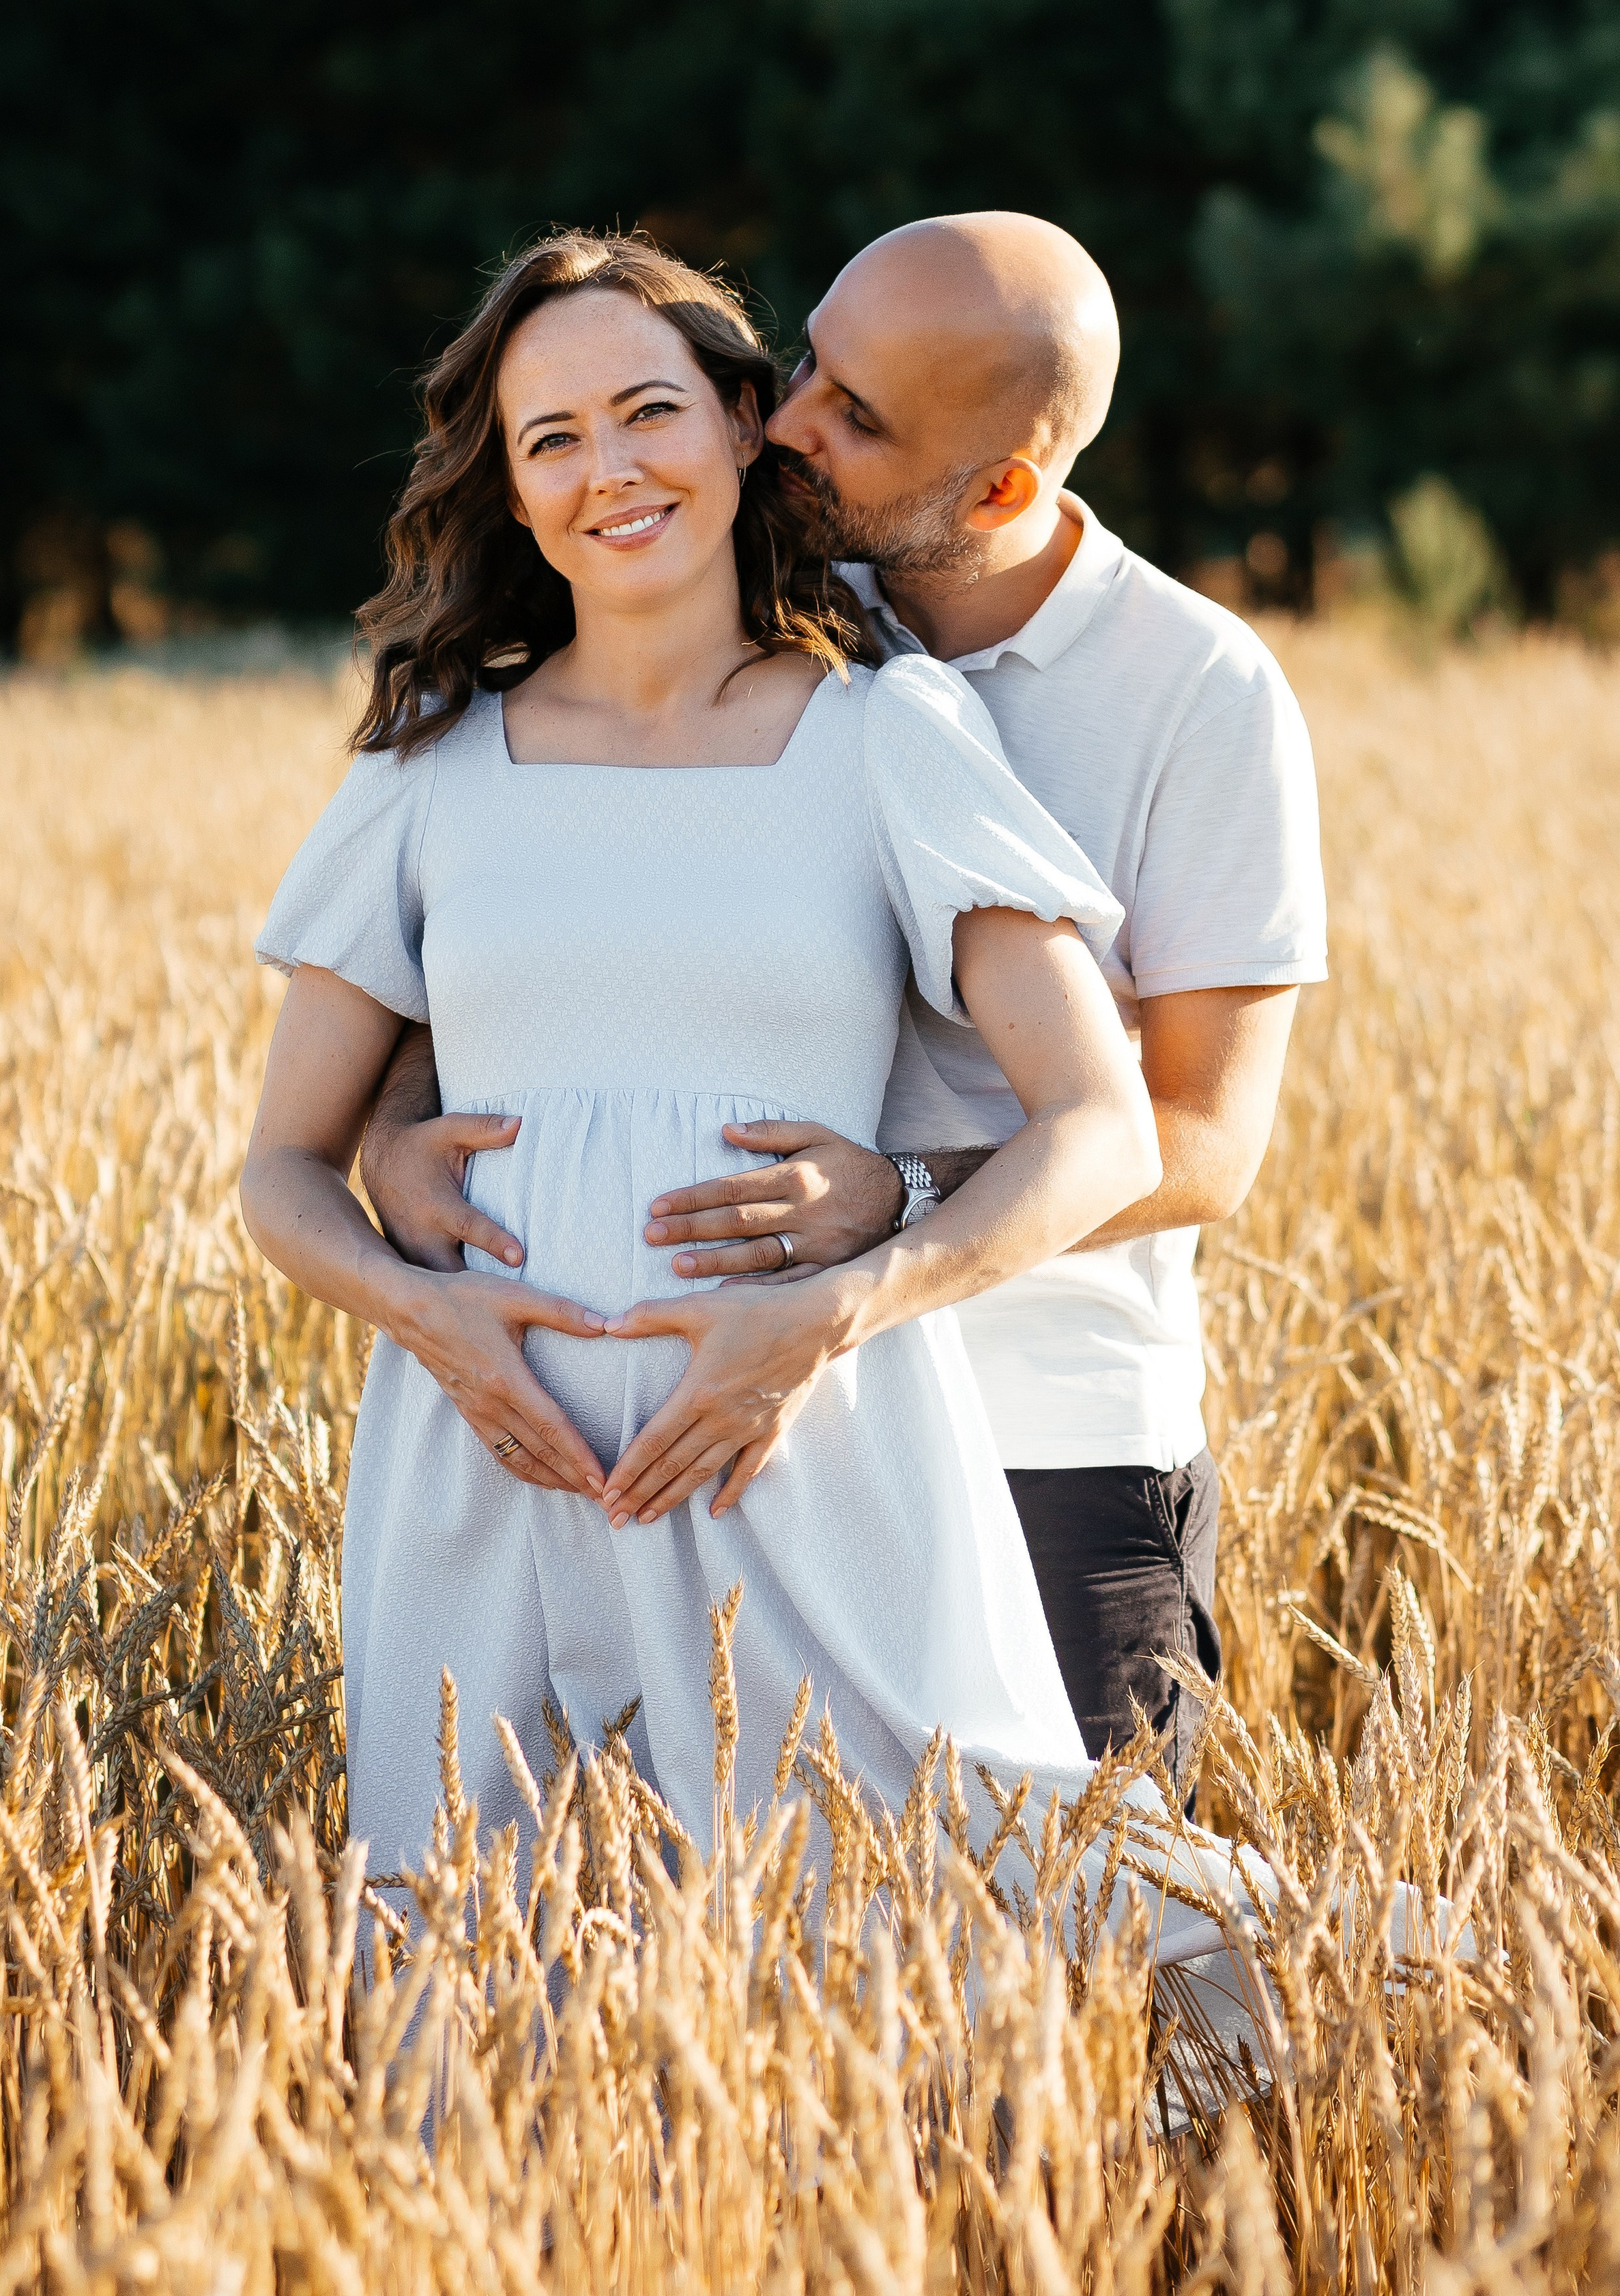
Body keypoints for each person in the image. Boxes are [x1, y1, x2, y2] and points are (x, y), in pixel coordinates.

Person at [240, 229, 1168, 1889]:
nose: (610, 469)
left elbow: (1101, 1130)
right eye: (551, 439)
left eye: (647, 409)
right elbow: (281, 1171)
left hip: (804, 1444)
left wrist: (838, 1309)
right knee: (479, 1979)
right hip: (490, 1467)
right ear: (510, 492)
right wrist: (427, 1319)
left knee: (927, 1934)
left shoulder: (885, 735)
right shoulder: (426, 771)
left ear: (744, 425)